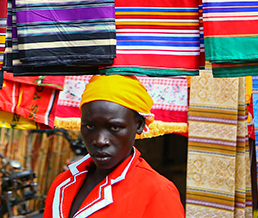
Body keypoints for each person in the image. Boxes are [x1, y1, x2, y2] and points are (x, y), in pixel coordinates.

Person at [42, 74, 185, 218]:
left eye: (114, 128)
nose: (100, 141)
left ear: (139, 125)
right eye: (90, 126)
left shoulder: (158, 192)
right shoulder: (63, 182)